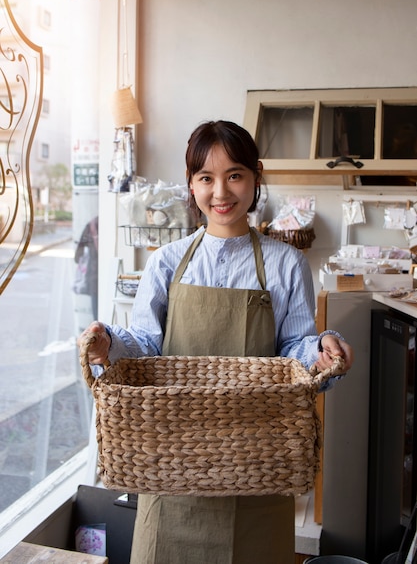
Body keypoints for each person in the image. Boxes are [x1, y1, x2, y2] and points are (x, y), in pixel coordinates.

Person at [78, 120, 353, 564]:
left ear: (256, 177)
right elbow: (147, 344)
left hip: (259, 462)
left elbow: (294, 351)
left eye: (235, 175)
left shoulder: (286, 263)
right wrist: (107, 344)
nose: (220, 192)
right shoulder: (167, 262)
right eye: (206, 177)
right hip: (170, 463)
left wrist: (321, 351)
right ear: (191, 184)